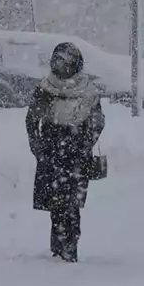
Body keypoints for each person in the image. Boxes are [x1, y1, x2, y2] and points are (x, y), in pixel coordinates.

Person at [25, 42, 105, 262]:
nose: (60, 66)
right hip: (50, 150)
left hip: (76, 153)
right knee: (54, 202)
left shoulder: (87, 91)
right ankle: (57, 249)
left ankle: (69, 248)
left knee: (71, 204)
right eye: (57, 61)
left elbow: (97, 121)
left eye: (64, 61)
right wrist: (37, 146)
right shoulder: (46, 87)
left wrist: (84, 143)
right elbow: (32, 118)